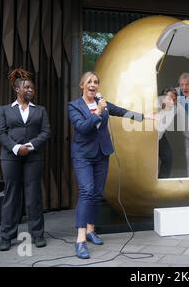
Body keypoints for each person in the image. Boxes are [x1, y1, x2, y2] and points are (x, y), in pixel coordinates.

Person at [68, 71, 153, 259]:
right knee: (87, 191)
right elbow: (82, 127)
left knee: (97, 193)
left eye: (96, 82)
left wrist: (145, 117)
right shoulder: (74, 106)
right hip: (83, 155)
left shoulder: (104, 103)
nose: (93, 85)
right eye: (89, 82)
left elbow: (121, 111)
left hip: (102, 153)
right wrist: (97, 111)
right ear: (82, 85)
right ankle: (80, 239)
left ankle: (91, 230)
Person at [0, 68, 51, 251]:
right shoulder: (5, 110)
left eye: (31, 87)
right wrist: (16, 148)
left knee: (34, 194)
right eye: (26, 87)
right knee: (11, 195)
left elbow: (46, 132)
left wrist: (30, 146)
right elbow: (0, 133)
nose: (30, 90)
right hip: (10, 157)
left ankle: (37, 235)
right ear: (17, 89)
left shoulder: (40, 110)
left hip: (33, 157)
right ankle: (6, 237)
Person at [157, 87, 178, 178]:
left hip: (159, 135)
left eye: (174, 100)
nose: (172, 102)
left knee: (168, 158)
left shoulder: (173, 109)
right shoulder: (154, 105)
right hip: (150, 135)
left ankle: (162, 180)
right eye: (169, 99)